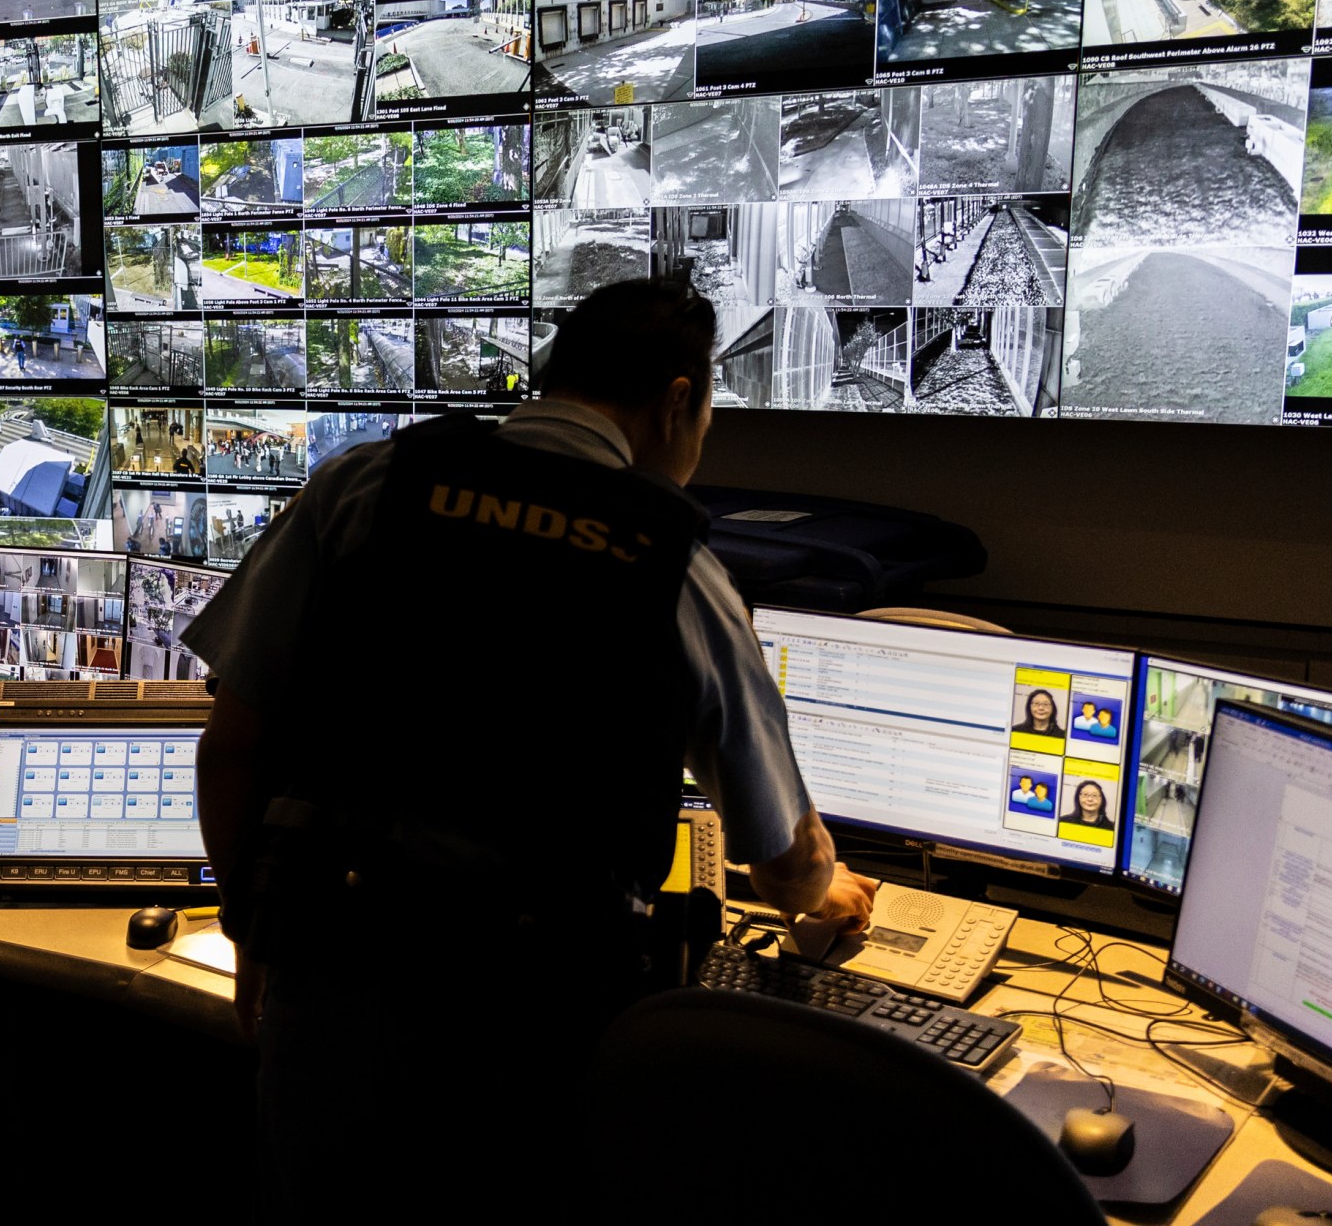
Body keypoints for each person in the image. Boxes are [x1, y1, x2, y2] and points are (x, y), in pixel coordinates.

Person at [184, 279, 875, 1220]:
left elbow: (232, 749)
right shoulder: (674, 566)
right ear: (678, 401)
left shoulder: (368, 485)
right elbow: (779, 854)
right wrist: (821, 891)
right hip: (531, 1020)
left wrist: (251, 926)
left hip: (332, 976)